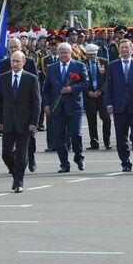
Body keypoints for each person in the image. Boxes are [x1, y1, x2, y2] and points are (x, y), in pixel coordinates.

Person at [0, 51, 40, 193]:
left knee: (22, 154)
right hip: (8, 122)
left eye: (17, 61)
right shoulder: (3, 78)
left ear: (24, 62)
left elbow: (36, 103)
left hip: (25, 123)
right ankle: (16, 174)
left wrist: (34, 122)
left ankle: (19, 181)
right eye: (12, 61)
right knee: (6, 153)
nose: (14, 64)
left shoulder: (31, 78)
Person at [42, 42, 89, 173]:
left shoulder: (79, 66)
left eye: (65, 52)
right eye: (61, 52)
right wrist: (46, 105)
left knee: (75, 134)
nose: (63, 54)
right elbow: (46, 89)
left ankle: (79, 157)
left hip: (74, 106)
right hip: (57, 108)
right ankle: (64, 163)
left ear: (70, 53)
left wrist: (72, 88)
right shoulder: (51, 68)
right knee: (59, 137)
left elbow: (85, 83)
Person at [104, 39, 133, 172]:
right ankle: (125, 162)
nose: (124, 50)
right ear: (119, 50)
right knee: (121, 137)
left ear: (131, 50)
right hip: (119, 107)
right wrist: (108, 103)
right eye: (122, 48)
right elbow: (109, 86)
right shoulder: (112, 65)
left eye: (126, 48)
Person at [82, 44, 111, 150]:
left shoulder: (104, 62)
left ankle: (107, 141)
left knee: (106, 118)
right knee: (91, 120)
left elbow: (108, 79)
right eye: (90, 55)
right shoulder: (83, 64)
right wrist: (88, 91)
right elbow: (81, 80)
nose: (92, 57)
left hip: (102, 96)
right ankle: (94, 142)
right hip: (89, 96)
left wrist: (101, 90)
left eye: (94, 54)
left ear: (97, 53)